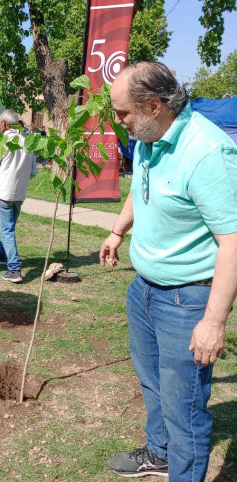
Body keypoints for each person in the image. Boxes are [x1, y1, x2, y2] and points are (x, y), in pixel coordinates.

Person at [99, 62, 237, 481]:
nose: (117, 121)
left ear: (154, 105)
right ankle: (158, 454)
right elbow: (142, 189)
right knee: (154, 386)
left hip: (187, 300)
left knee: (185, 413)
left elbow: (233, 240)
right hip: (144, 291)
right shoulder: (148, 136)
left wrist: (213, 321)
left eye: (122, 113)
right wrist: (118, 231)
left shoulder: (207, 153)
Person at [0, 109, 37, 283]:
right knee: (9, 227)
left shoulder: (1, 140)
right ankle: (1, 254)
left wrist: (3, 174)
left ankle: (14, 269)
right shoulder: (27, 141)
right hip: (20, 193)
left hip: (4, 192)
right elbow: (33, 171)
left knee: (7, 229)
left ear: (4, 123)